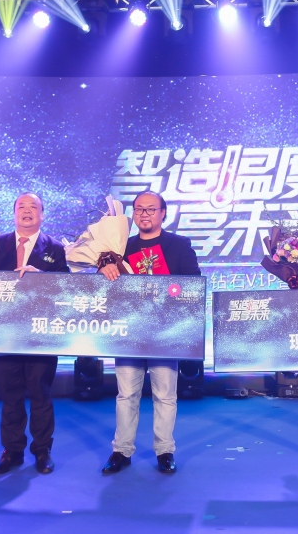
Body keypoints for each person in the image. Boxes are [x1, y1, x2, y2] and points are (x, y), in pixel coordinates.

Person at [98, 190, 200, 475]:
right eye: (139, 209)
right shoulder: (121, 247)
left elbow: (193, 284)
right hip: (129, 332)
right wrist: (105, 268)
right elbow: (106, 290)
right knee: (126, 394)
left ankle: (165, 450)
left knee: (165, 395)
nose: (144, 214)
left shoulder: (179, 245)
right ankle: (121, 451)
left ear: (162, 213)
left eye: (150, 209)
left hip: (166, 332)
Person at [0, 192, 68, 475]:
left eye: (33, 207)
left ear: (42, 214)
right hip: (3, 333)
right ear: (14, 212)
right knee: (10, 395)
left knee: (40, 393)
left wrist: (40, 277)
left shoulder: (55, 248)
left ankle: (42, 451)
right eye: (21, 206)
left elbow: (65, 287)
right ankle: (12, 452)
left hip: (40, 333)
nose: (27, 211)